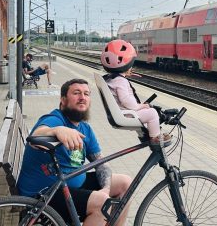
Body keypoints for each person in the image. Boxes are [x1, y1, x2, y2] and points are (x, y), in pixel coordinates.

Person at [17, 79, 133, 225]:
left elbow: (100, 163)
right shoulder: (54, 119)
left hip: (72, 185)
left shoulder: (85, 128)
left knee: (125, 183)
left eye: (86, 94)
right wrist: (57, 130)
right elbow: (36, 137)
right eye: (76, 93)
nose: (82, 97)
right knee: (101, 203)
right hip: (44, 194)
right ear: (63, 100)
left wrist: (106, 188)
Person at [100, 39, 171, 143]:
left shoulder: (112, 79)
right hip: (126, 115)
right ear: (127, 65)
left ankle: (150, 134)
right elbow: (127, 101)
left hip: (120, 113)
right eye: (131, 65)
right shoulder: (120, 81)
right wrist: (141, 106)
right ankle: (156, 137)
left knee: (148, 111)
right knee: (152, 113)